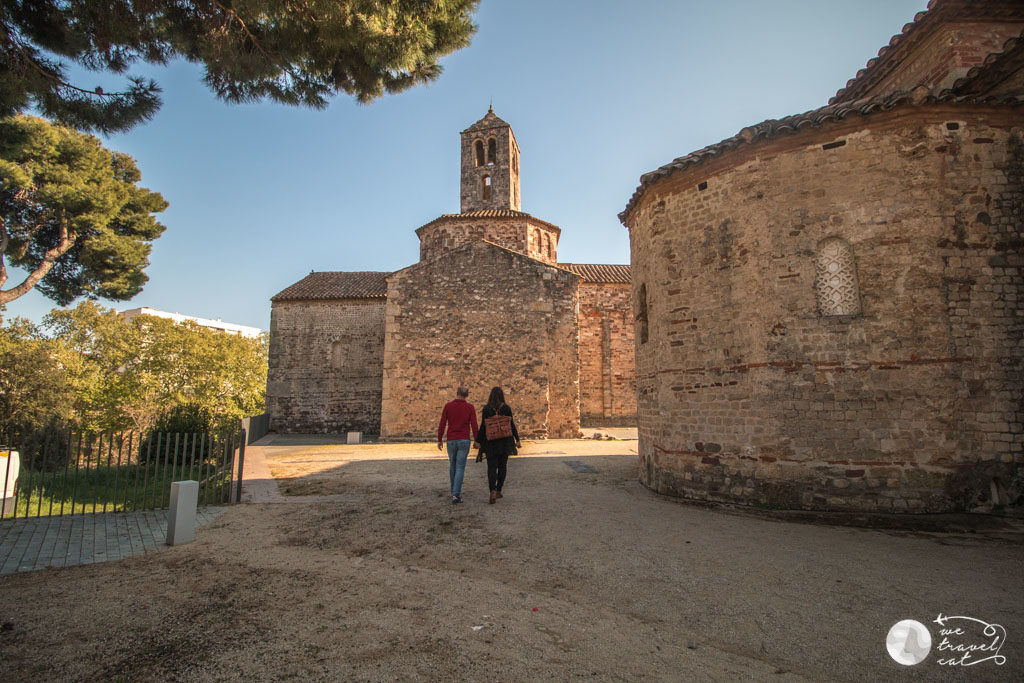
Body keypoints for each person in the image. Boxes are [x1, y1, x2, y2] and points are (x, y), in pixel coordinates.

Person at [476, 386, 521, 504]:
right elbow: (512, 425)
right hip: (504, 442)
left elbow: (482, 427)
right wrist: (517, 439)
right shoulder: (506, 408)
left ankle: (492, 490)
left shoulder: (486, 409)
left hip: (490, 442)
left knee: (491, 467)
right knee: (502, 466)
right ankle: (499, 489)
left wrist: (478, 441)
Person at [437, 384, 478, 504]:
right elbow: (474, 425)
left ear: (457, 393)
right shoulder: (470, 407)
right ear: (467, 395)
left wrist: (439, 439)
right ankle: (456, 494)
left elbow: (442, 423)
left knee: (452, 465)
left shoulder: (448, 406)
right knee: (460, 467)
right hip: (464, 440)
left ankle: (453, 491)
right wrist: (476, 439)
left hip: (451, 440)